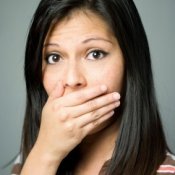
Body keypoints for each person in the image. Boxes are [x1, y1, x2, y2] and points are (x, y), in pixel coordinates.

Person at [11, 0, 175, 174]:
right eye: (54, 57)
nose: (72, 79)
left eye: (95, 54)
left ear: (131, 61)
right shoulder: (31, 161)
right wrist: (45, 156)